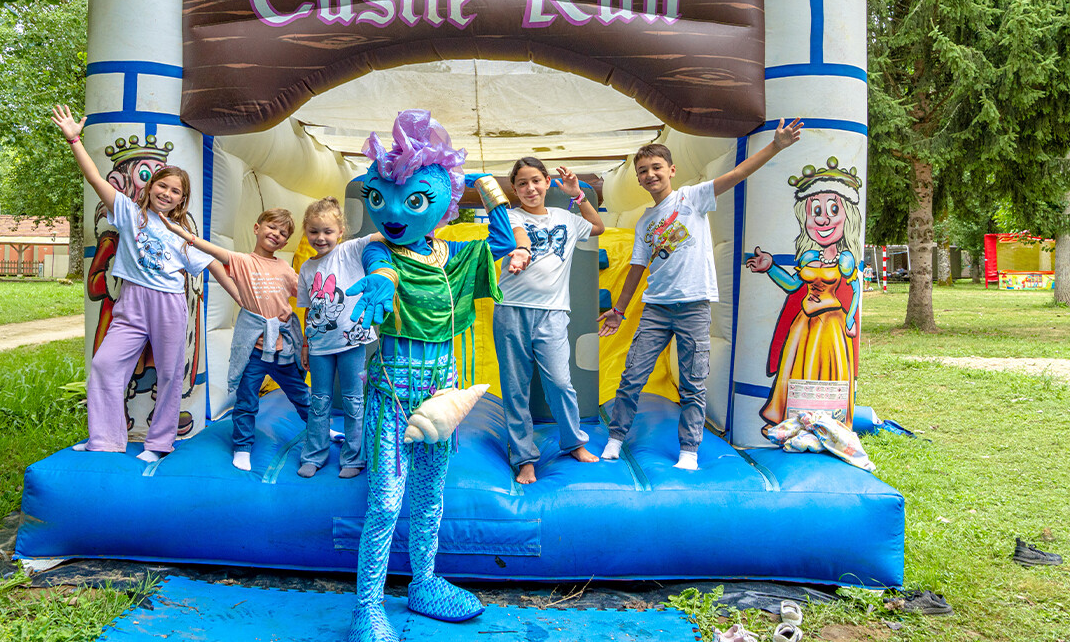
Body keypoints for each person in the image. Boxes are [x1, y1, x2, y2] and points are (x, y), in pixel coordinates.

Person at [344, 110, 522, 642]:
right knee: (385, 503)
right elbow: (380, 265)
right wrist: (381, 282)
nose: (393, 213)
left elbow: (502, 242)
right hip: (393, 399)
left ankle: (423, 583)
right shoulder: (381, 249)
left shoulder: (454, 256)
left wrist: (489, 190)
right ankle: (367, 607)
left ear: (443, 205)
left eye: (414, 201)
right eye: (380, 199)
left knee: (429, 497)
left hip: (442, 398)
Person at [598, 119, 803, 471]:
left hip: (693, 306)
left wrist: (776, 146)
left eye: (656, 167)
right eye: (643, 171)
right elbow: (636, 268)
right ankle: (616, 437)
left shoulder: (690, 198)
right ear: (639, 179)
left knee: (693, 382)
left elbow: (737, 173)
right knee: (632, 376)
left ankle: (689, 450)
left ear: (671, 170)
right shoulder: (645, 222)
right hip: (656, 309)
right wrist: (618, 310)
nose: (650, 175)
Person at [51, 104, 240, 463]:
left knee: (170, 374)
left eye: (175, 191)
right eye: (162, 185)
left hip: (168, 304)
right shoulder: (127, 213)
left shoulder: (183, 234)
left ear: (182, 199)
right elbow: (95, 178)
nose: (167, 193)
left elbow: (214, 265)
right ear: (150, 187)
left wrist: (242, 298)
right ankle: (105, 439)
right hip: (132, 303)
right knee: (105, 365)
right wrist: (74, 139)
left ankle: (159, 443)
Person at [159, 207, 311, 471]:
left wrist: (297, 308)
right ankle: (243, 447)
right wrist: (183, 234)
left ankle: (320, 430)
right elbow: (213, 250)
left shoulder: (285, 268)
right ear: (257, 228)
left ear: (285, 242)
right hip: (254, 349)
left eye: (282, 233)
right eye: (271, 227)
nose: (276, 234)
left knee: (301, 395)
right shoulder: (242, 261)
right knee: (246, 400)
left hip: (281, 349)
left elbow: (307, 294)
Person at [493, 157, 603, 484]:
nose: (530, 188)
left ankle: (573, 442)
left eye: (536, 181)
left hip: (553, 312)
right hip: (511, 309)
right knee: (515, 387)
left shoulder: (565, 218)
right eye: (522, 183)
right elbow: (518, 235)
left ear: (546, 182)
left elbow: (597, 227)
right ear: (514, 189)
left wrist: (578, 194)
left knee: (560, 382)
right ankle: (524, 458)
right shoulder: (510, 216)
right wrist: (522, 250)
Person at [745, 157, 863, 432]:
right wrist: (770, 267)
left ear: (847, 215)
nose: (823, 218)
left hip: (831, 324)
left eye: (833, 209)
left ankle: (826, 423)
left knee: (825, 370)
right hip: (804, 322)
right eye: (816, 211)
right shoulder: (808, 256)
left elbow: (855, 289)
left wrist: (850, 321)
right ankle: (791, 422)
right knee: (796, 368)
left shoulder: (845, 259)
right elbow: (791, 285)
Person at [296, 197, 377, 479]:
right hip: (319, 346)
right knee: (319, 401)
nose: (320, 237)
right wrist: (305, 344)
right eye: (314, 231)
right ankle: (314, 455)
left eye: (328, 231)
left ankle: (354, 457)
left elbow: (380, 236)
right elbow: (308, 309)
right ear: (306, 231)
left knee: (354, 400)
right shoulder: (306, 269)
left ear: (340, 232)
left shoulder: (349, 251)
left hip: (351, 342)